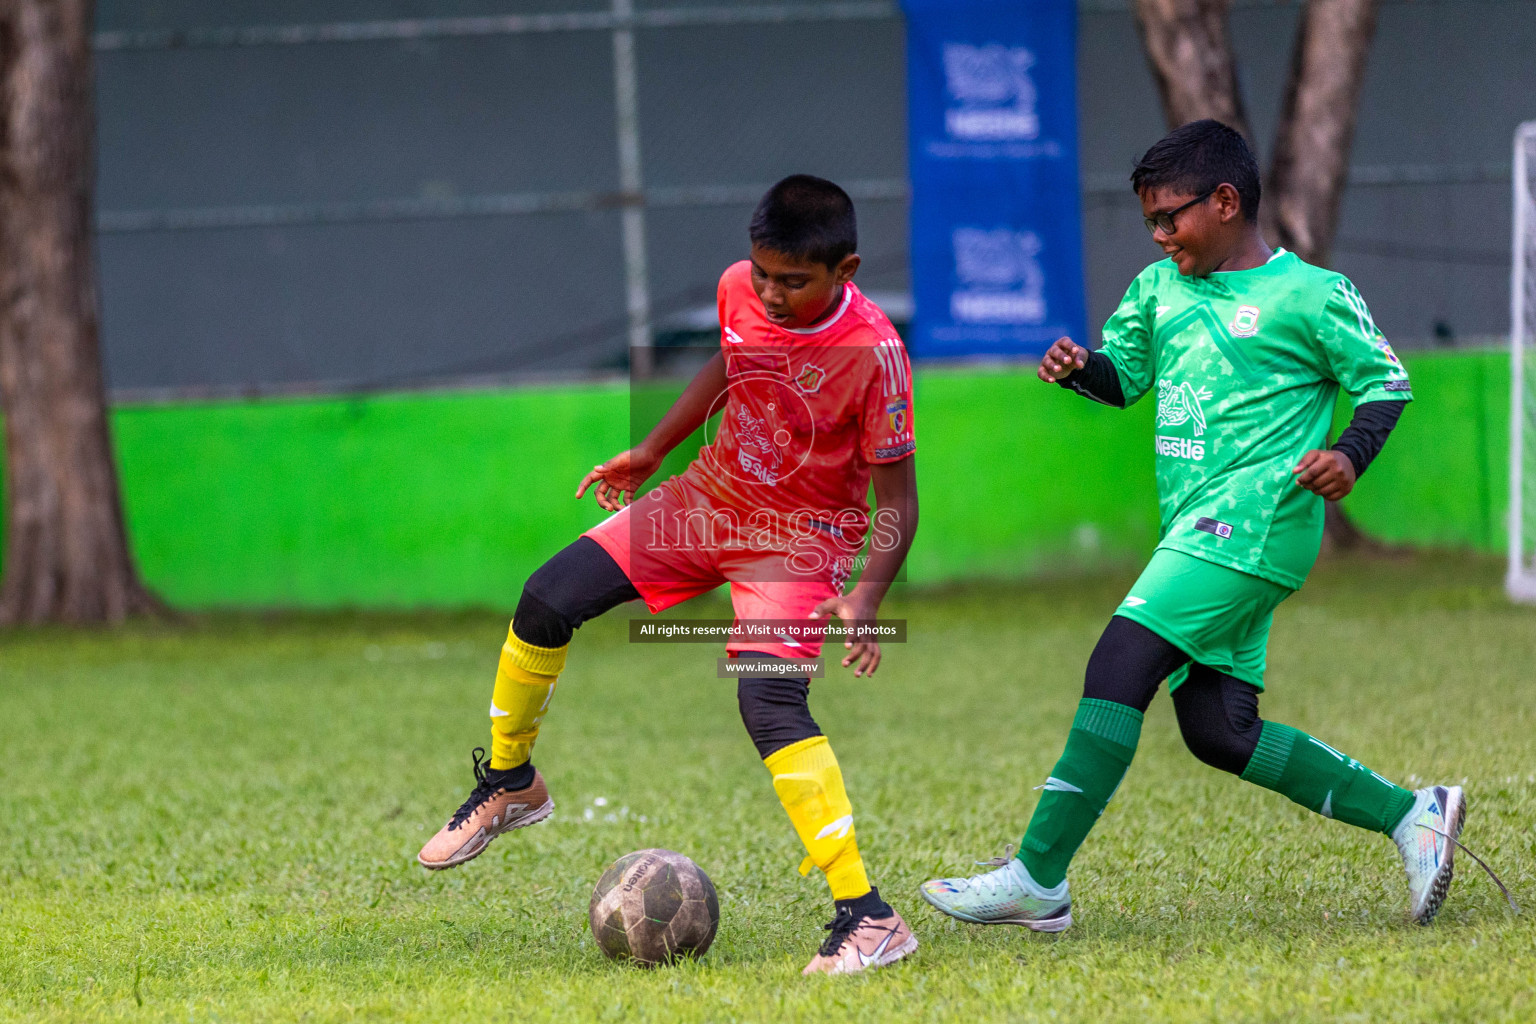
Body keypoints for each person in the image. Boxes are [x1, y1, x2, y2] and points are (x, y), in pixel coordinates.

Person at [920, 120, 1462, 931]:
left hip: (1258, 521)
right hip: (1195, 530)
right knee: (1218, 731)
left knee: (1120, 659)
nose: (1159, 234)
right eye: (1149, 222)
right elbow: (1125, 379)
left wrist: (1349, 455)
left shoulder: (1310, 293)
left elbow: (1384, 382)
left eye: (1170, 217)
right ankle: (1410, 813)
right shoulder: (1156, 290)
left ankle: (1037, 877)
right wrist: (1081, 374)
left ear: (1226, 201)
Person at [417, 175, 921, 975]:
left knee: (767, 698)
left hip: (799, 538)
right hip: (707, 500)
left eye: (794, 281)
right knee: (547, 598)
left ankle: (869, 918)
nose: (771, 293)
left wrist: (868, 594)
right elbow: (731, 365)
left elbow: (900, 495)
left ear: (845, 270)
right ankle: (512, 782)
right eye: (763, 275)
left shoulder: (877, 357)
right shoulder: (738, 289)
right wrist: (653, 449)